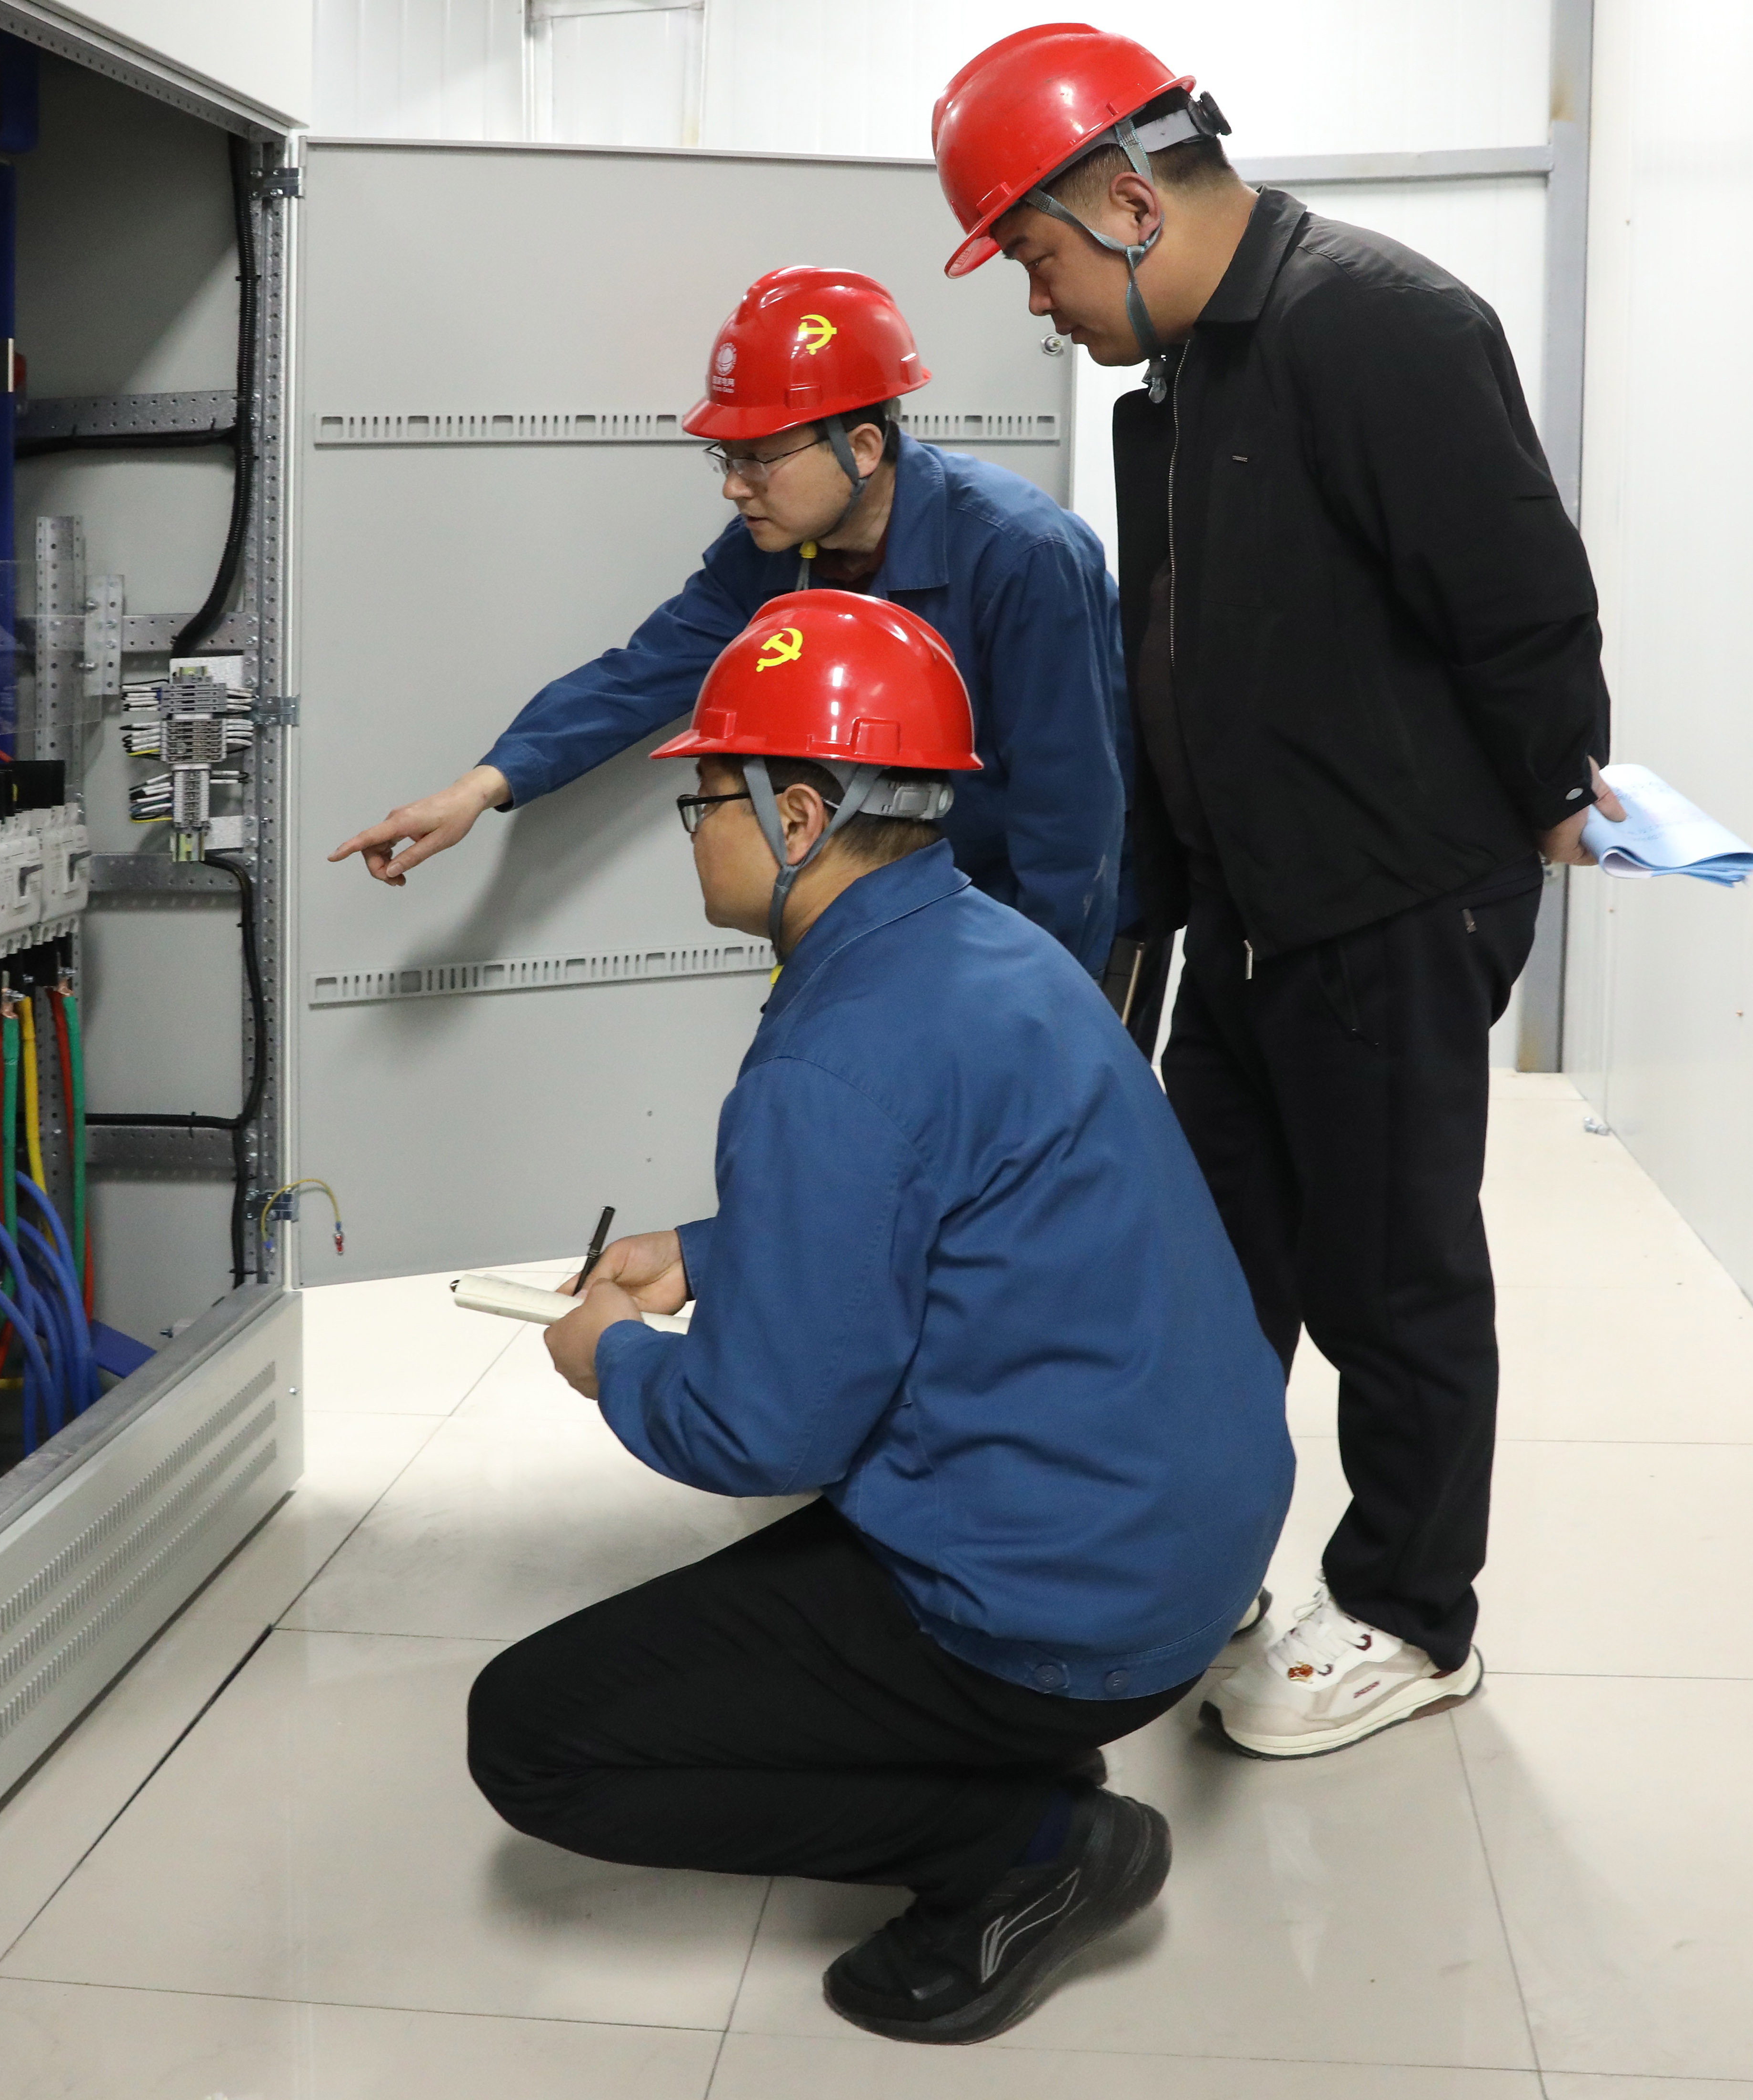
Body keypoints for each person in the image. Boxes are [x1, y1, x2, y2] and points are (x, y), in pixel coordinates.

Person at [465, 591, 1292, 2045]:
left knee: (532, 1737)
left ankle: (1022, 1847)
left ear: (797, 816)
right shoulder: (995, 955)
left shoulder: (830, 1057)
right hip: (1174, 1553)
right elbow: (948, 1197)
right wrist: (710, 1251)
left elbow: (761, 1434)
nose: (692, 832)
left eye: (706, 800)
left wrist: (612, 1360)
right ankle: (1004, 1758)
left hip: (1061, 1608)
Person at [933, 26, 1626, 1760]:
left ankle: (1409, 1611)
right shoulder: (1189, 379)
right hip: (1245, 913)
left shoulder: (1376, 325)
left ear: (1123, 202)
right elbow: (1186, 653)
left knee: (1389, 1273)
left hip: (1385, 901)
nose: (1034, 303)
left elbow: (1522, 603)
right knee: (1208, 1263)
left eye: (1030, 258)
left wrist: (1548, 796)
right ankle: (1195, 1549)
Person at [325, 266, 1131, 972]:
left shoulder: (1021, 556)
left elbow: (1071, 823)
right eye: (727, 457)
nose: (733, 486)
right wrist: (477, 789)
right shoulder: (773, 556)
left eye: (759, 460)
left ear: (860, 447)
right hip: (882, 917)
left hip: (1030, 928)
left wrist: (1040, 1002)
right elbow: (638, 675)